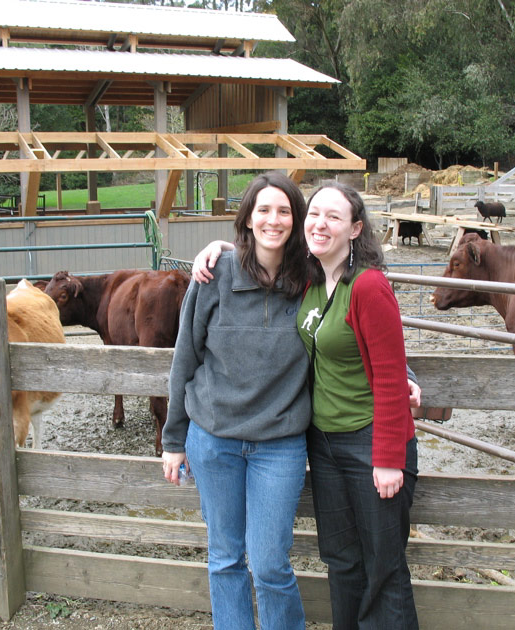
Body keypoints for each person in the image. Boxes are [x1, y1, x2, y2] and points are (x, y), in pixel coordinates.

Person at [192, 181, 420, 630]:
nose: (320, 224)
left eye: (333, 217)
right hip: (323, 445)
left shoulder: (367, 285)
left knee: (382, 567)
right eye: (314, 214)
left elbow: (390, 362)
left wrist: (391, 453)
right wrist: (221, 246)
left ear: (356, 228)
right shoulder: (312, 280)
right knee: (341, 560)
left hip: (370, 444)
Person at [160, 171, 311, 630]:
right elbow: (185, 357)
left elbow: (359, 315)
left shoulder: (312, 278)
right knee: (225, 556)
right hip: (214, 439)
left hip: (279, 444)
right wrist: (174, 438)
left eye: (284, 210)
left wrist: (401, 372)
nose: (273, 219)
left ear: (296, 220)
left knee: (269, 564)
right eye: (263, 209)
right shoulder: (213, 276)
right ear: (246, 218)